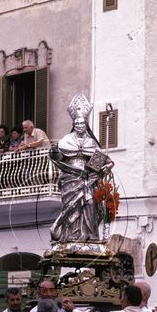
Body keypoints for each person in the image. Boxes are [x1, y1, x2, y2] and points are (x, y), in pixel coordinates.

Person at [49, 94, 113, 242]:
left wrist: (105, 167)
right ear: (74, 125)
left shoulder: (91, 142)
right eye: (77, 123)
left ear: (86, 125)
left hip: (87, 177)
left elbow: (104, 161)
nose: (79, 126)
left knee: (90, 203)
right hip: (70, 177)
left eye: (82, 123)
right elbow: (58, 157)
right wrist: (53, 152)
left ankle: (90, 235)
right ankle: (70, 235)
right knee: (71, 206)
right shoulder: (66, 141)